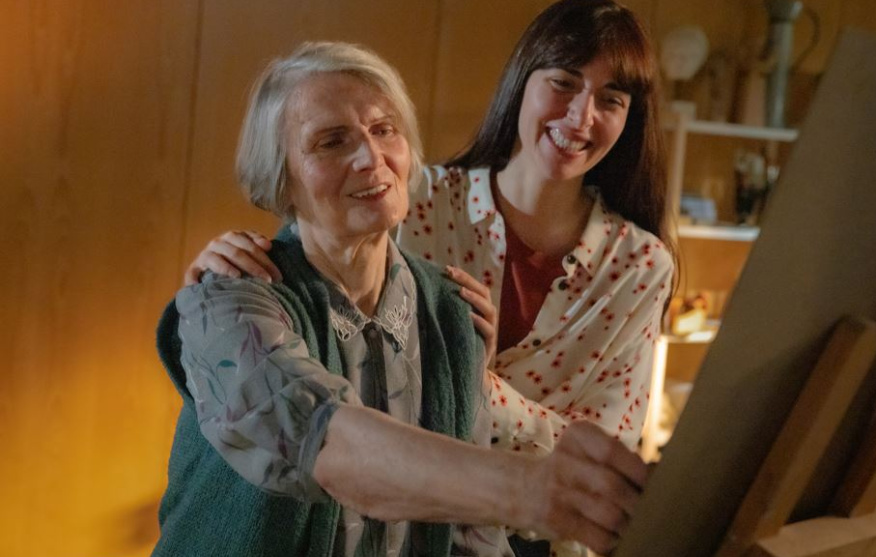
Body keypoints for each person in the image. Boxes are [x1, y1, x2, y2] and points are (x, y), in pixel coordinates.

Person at [184, 1, 676, 554]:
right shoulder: (231, 296)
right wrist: (527, 487)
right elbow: (319, 436)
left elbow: (474, 538)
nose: (371, 158)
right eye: (331, 141)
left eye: (383, 130)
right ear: (279, 180)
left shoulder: (448, 311)